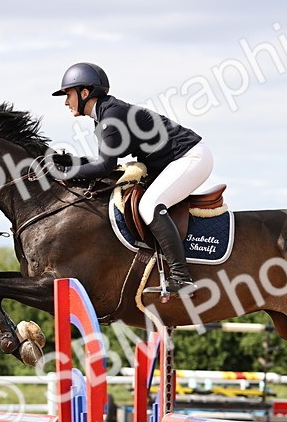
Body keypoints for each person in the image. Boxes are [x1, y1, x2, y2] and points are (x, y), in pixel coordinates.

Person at [49, 62, 212, 294]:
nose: (66, 102)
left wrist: (65, 173)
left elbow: (105, 167)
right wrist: (72, 162)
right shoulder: (104, 114)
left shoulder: (110, 117)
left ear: (85, 92)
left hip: (190, 157)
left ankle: (181, 276)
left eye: (68, 94)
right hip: (172, 160)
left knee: (149, 205)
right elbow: (104, 161)